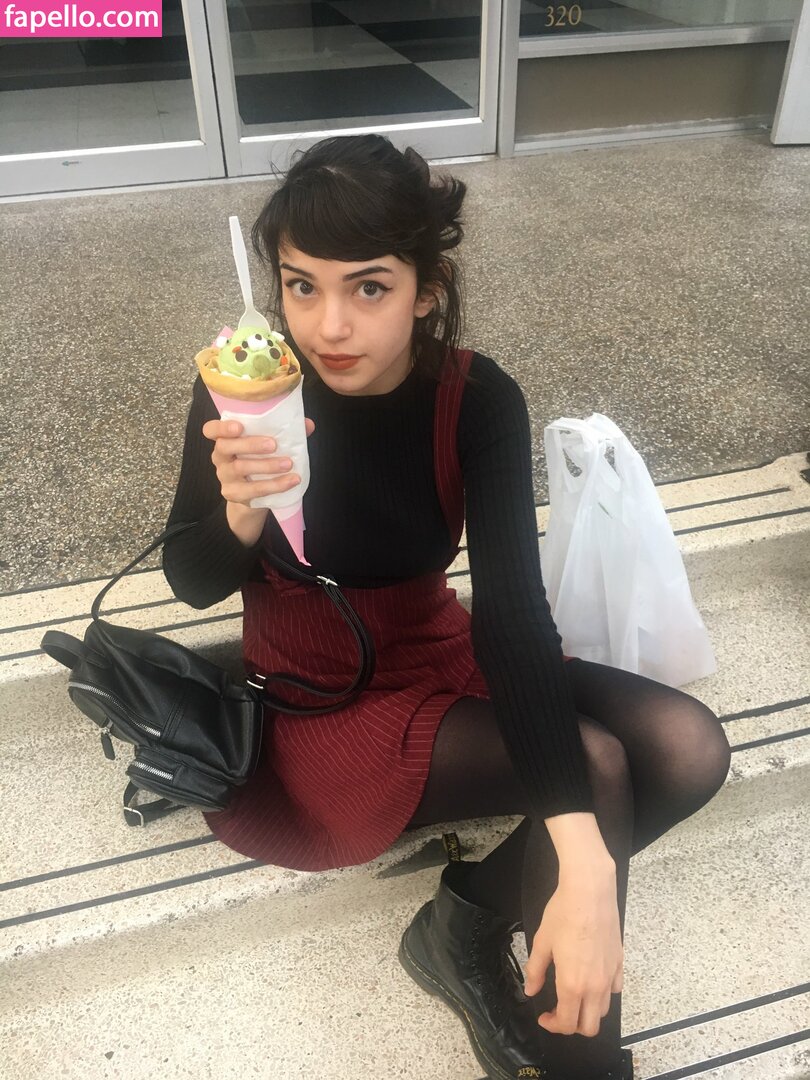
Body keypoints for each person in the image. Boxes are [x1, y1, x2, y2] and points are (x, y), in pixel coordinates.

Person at [163, 134, 732, 1080]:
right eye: (302, 286)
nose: (330, 324)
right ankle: (584, 1070)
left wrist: (584, 858)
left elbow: (512, 617)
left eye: (369, 287)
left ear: (426, 289)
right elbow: (190, 579)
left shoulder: (474, 398)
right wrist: (239, 509)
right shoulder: (247, 382)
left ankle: (464, 918)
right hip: (317, 693)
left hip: (438, 647)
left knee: (687, 749)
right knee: (593, 769)